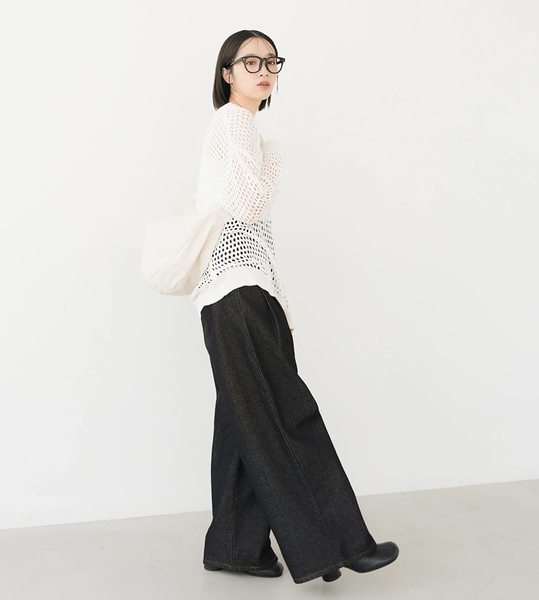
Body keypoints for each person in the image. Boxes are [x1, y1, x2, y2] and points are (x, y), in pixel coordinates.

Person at [191, 29, 399, 585]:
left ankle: (236, 548)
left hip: (242, 291)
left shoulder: (246, 130)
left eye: (271, 61)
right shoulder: (233, 122)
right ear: (227, 73)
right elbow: (251, 201)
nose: (264, 70)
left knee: (242, 423)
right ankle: (338, 543)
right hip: (236, 290)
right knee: (286, 415)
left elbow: (251, 218)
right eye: (250, 62)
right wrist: (274, 158)